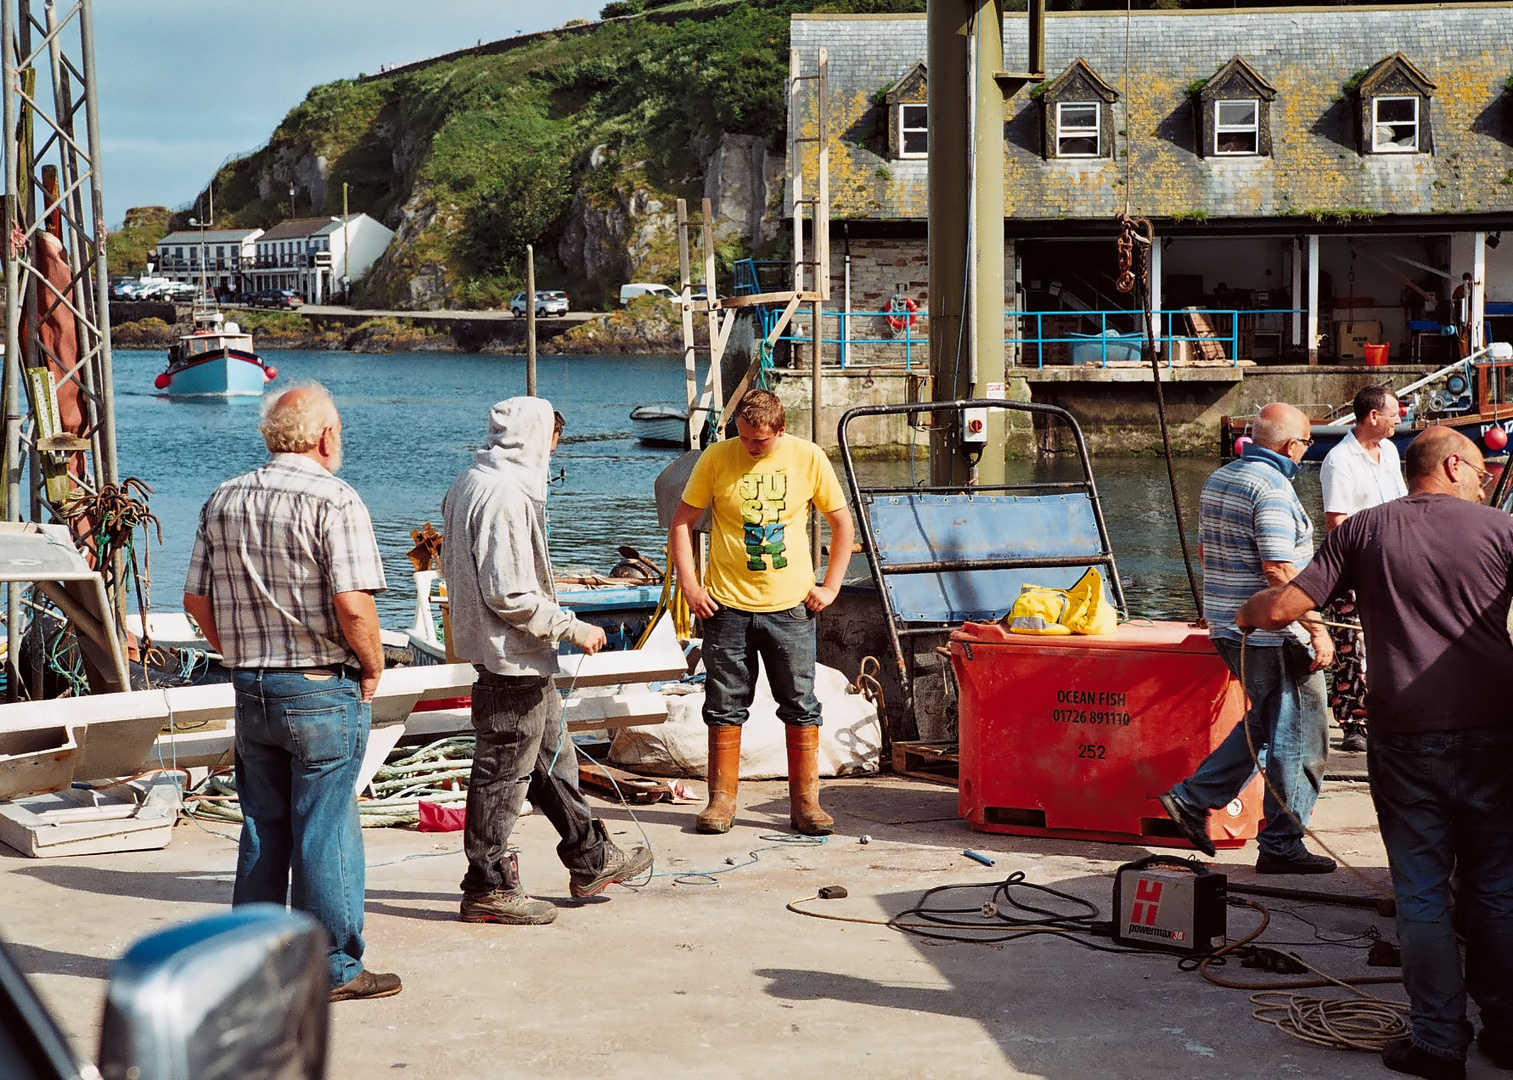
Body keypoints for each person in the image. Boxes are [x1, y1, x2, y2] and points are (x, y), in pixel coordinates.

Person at [1236, 426, 1513, 1080]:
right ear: (1451, 465)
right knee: (1497, 889)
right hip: (1495, 734)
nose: (1481, 483)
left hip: (1406, 736)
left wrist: (1249, 613)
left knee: (1419, 893)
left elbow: (1283, 608)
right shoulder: (1500, 531)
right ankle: (1505, 1031)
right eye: (1477, 472)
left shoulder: (1362, 531)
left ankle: (1439, 1044)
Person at [183, 383, 400, 1002]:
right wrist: (373, 663)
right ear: (325, 435)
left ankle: (249, 965)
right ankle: (334, 969)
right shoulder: (335, 500)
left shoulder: (224, 497)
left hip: (252, 685)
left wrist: (237, 651)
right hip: (316, 684)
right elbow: (352, 604)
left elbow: (196, 596)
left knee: (263, 826)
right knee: (325, 830)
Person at [441, 397, 652, 925]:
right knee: (502, 775)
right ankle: (486, 885)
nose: (555, 451)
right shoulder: (505, 495)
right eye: (554, 441)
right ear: (540, 439)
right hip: (508, 657)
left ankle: (590, 857)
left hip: (514, 657)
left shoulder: (473, 477)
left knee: (551, 760)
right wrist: (570, 626)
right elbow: (509, 595)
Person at [1158, 401, 1337, 874]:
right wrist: (1316, 629)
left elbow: (1204, 550)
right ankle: (1281, 845)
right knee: (1301, 737)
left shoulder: (1222, 478)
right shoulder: (1273, 488)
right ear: (1290, 445)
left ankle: (1193, 799)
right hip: (1274, 637)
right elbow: (1279, 568)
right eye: (1306, 441)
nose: (1307, 450)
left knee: (1267, 725)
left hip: (1229, 628)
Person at [669, 389, 855, 836]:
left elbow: (842, 522)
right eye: (745, 437)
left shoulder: (809, 458)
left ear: (781, 430)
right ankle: (721, 801)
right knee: (724, 705)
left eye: (760, 441)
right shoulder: (715, 459)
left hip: (790, 608)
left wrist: (831, 585)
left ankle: (806, 803)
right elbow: (681, 522)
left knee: (800, 704)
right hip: (726, 608)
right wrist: (691, 587)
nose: (751, 447)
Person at [1318, 386, 1406, 752]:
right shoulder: (1341, 460)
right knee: (1351, 645)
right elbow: (1336, 521)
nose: (1398, 420)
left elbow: (1400, 501)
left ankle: (1387, 713)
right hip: (1354, 564)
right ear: (1373, 417)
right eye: (1393, 414)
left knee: (1391, 639)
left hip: (1391, 561)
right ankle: (1353, 721)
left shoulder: (1388, 451)